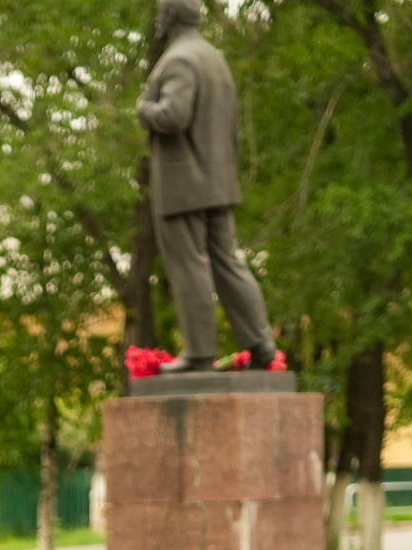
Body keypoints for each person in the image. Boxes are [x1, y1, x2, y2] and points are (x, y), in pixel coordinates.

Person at [134, 0, 275, 373]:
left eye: (161, 14)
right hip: (217, 181)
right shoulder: (214, 58)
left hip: (184, 185)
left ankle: (198, 354)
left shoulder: (179, 59)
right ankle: (261, 343)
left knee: (188, 265)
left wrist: (144, 109)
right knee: (228, 261)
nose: (157, 21)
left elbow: (173, 115)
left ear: (169, 17)